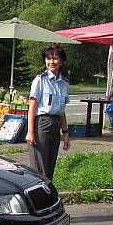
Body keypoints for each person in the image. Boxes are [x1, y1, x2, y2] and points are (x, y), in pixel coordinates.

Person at [26, 44, 71, 180]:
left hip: (55, 124)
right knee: (40, 168)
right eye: (48, 58)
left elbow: (61, 110)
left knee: (50, 166)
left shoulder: (64, 83)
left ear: (61, 61)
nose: (51, 61)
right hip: (42, 124)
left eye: (55, 58)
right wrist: (30, 132)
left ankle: (48, 196)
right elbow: (32, 107)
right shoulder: (40, 80)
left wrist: (65, 133)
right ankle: (39, 197)